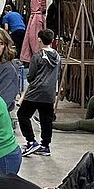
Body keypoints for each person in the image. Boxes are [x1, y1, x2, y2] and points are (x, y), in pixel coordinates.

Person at [18, 29, 62, 157]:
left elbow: (31, 76)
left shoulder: (37, 57)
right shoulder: (57, 56)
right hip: (49, 93)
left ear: (39, 40)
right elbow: (58, 73)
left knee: (23, 115)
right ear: (52, 40)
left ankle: (31, 141)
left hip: (35, 92)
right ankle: (45, 146)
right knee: (46, 119)